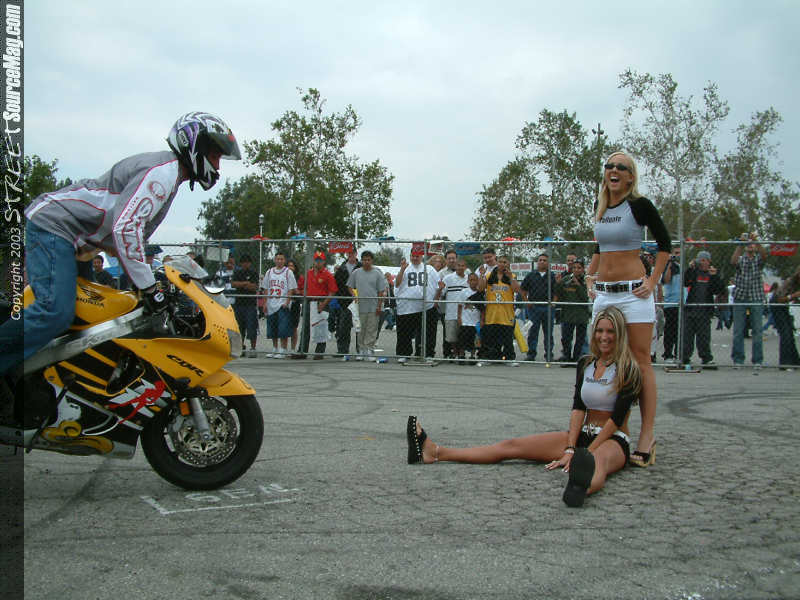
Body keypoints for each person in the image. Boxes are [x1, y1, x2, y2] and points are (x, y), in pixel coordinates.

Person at [0, 112, 240, 375]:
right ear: (195, 145)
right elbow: (126, 229)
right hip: (57, 226)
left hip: (77, 240)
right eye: (215, 156)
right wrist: (149, 287)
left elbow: (126, 237)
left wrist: (151, 282)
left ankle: (45, 384)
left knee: (94, 318)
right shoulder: (162, 174)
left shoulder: (169, 175)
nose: (217, 166)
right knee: (54, 311)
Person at [406, 306, 642, 508]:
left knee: (597, 461)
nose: (604, 337)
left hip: (613, 440)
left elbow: (617, 419)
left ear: (620, 334)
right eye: (600, 330)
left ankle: (581, 487)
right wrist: (571, 447)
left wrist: (586, 453)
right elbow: (578, 408)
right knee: (512, 446)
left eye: (610, 331)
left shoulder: (628, 369)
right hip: (581, 436)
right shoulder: (586, 364)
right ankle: (435, 452)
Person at [586, 151, 671, 468]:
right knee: (605, 360)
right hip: (604, 296)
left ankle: (647, 436)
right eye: (609, 166)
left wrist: (652, 280)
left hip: (633, 295)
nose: (614, 170)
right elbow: (600, 247)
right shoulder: (600, 206)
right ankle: (615, 430)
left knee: (640, 361)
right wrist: (590, 275)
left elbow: (665, 244)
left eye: (621, 167)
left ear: (631, 176)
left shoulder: (639, 205)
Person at [394, 248, 441, 363]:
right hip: (407, 306)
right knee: (404, 332)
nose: (415, 258)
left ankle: (427, 354)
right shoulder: (405, 268)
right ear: (410, 256)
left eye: (417, 256)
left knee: (428, 332)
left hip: (426, 306)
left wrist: (436, 300)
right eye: (413, 256)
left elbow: (438, 285)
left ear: (422, 257)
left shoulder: (429, 269)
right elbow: (397, 284)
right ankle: (404, 354)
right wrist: (402, 270)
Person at [730, 233, 767, 369]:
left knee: (757, 330)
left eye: (752, 244)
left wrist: (756, 241)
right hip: (740, 296)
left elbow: (765, 256)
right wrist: (741, 244)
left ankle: (757, 360)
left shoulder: (758, 260)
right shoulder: (741, 259)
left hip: (756, 296)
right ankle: (738, 359)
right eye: (748, 244)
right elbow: (733, 261)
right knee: (738, 330)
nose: (750, 245)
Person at [681, 251, 725, 367]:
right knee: (687, 336)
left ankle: (706, 358)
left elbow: (718, 290)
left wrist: (714, 276)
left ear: (709, 262)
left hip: (705, 311)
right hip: (691, 309)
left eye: (705, 260)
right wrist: (690, 268)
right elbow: (685, 283)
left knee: (704, 337)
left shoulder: (712, 274)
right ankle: (684, 357)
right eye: (701, 260)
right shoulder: (694, 272)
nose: (703, 263)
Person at [478, 256, 521, 365]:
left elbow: (517, 290)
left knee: (507, 338)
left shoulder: (511, 276)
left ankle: (509, 358)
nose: (502, 264)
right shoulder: (489, 275)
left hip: (506, 313)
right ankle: (490, 358)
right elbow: (481, 288)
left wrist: (511, 278)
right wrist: (482, 275)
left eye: (505, 262)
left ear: (508, 264)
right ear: (497, 263)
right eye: (500, 262)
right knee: (490, 338)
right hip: (492, 313)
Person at [347, 250, 387, 361]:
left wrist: (379, 306)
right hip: (360, 307)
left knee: (372, 329)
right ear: (361, 260)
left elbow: (381, 291)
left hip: (373, 306)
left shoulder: (377, 273)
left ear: (372, 260)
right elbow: (349, 286)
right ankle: (361, 350)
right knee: (360, 329)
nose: (366, 262)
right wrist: (354, 296)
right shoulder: (356, 272)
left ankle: (369, 350)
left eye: (368, 260)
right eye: (364, 260)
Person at [521, 253, 558, 362]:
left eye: (544, 260)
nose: (542, 262)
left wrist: (553, 303)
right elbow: (523, 290)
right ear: (537, 262)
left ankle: (549, 354)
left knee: (548, 333)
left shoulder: (552, 276)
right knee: (533, 332)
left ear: (548, 263)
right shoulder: (531, 275)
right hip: (534, 308)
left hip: (547, 307)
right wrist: (526, 302)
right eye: (540, 260)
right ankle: (531, 354)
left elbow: (557, 291)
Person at [302, 250, 338, 359]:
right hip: (309, 301)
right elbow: (304, 287)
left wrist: (324, 303)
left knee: (321, 326)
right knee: (306, 327)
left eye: (320, 260)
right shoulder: (308, 273)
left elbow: (332, 291)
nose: (318, 262)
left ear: (324, 261)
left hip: (321, 301)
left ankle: (319, 352)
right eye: (316, 260)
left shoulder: (327, 275)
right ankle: (302, 350)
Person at [261, 251, 298, 359]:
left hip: (282, 304)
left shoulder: (288, 272)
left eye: (282, 259)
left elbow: (291, 289)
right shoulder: (269, 272)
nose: (279, 261)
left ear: (284, 260)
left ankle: (283, 349)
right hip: (271, 303)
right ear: (275, 260)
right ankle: (275, 348)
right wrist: (265, 303)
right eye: (278, 259)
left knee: (283, 328)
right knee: (272, 328)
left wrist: (287, 302)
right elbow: (265, 288)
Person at [555, 258, 591, 365]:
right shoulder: (566, 279)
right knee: (566, 338)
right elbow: (559, 294)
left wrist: (578, 285)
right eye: (574, 268)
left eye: (579, 268)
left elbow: (586, 298)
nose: (576, 270)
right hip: (568, 314)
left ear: (583, 269)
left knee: (580, 339)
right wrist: (558, 283)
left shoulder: (586, 281)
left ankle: (576, 358)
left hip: (581, 315)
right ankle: (566, 357)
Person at [441, 258, 470, 361]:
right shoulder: (447, 278)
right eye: (458, 265)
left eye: (462, 265)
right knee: (451, 337)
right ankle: (454, 352)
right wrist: (439, 289)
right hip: (451, 312)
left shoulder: (469, 279)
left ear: (466, 267)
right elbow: (442, 293)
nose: (460, 267)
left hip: (465, 313)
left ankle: (461, 353)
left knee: (463, 335)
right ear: (455, 266)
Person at [333, 250, 361, 357]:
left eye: (352, 253)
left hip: (359, 301)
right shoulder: (342, 268)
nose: (351, 255)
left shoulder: (361, 266)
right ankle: (343, 350)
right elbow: (336, 284)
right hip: (345, 302)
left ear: (356, 253)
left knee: (359, 327)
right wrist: (340, 299)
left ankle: (360, 350)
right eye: (349, 253)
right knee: (343, 327)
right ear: (346, 254)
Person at [232, 254, 260, 357]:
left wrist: (242, 285)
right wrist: (245, 283)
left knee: (252, 326)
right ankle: (241, 347)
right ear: (241, 263)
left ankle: (253, 348)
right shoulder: (237, 272)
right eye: (243, 262)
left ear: (250, 263)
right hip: (239, 304)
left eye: (247, 262)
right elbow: (233, 284)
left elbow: (254, 287)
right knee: (239, 327)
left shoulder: (254, 273)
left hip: (250, 304)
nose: (245, 264)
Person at [773, 266, 800, 370]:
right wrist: (793, 296)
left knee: (790, 333)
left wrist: (794, 297)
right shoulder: (789, 282)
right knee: (786, 334)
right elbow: (779, 299)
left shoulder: (797, 284)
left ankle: (795, 362)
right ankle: (785, 363)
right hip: (777, 304)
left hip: (785, 306)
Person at [661, 247, 682, 361]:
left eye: (679, 253)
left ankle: (679, 355)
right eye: (676, 253)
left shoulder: (682, 267)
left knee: (680, 331)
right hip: (671, 303)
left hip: (682, 303)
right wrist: (669, 262)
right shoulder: (667, 266)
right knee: (670, 330)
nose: (677, 256)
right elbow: (666, 280)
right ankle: (668, 354)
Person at [456, 272, 482, 363]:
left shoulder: (480, 293)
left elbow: (483, 309)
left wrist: (482, 320)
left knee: (474, 340)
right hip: (465, 321)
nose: (473, 282)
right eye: (471, 280)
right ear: (468, 281)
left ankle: (472, 355)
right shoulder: (464, 292)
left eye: (475, 280)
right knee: (462, 339)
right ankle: (461, 355)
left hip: (475, 321)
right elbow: (460, 306)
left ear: (478, 281)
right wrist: (459, 317)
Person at [286, 259, 304, 352]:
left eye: (292, 266)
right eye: (288, 266)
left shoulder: (300, 278)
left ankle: (293, 349)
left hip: (295, 303)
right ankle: (283, 348)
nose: (290, 268)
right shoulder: (283, 276)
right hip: (284, 303)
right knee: (284, 326)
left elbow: (303, 290)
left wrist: (297, 291)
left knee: (294, 327)